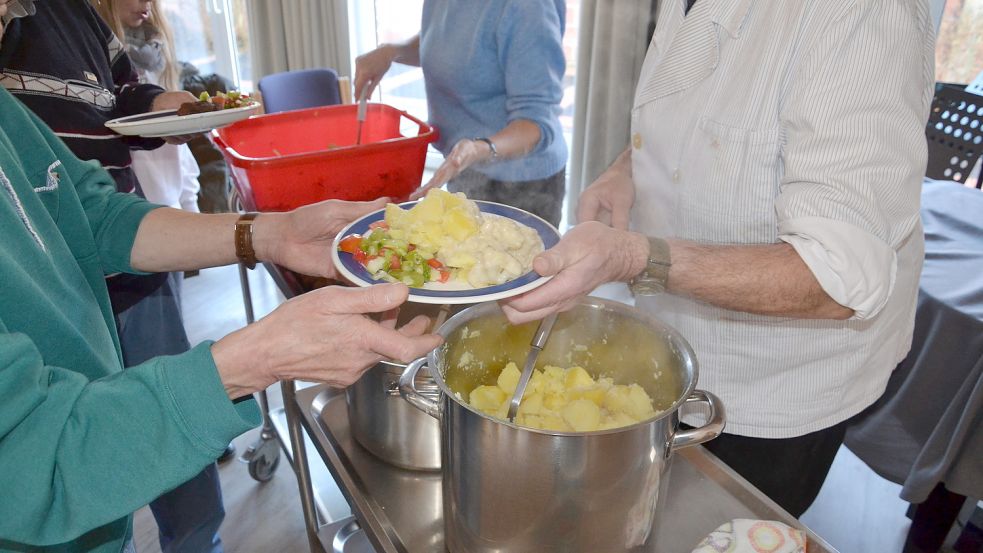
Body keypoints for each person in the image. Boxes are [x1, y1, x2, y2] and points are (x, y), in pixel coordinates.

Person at [501, 0, 935, 518]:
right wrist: (631, 165)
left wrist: (637, 257)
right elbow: (710, 110)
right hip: (677, 331)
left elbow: (836, 274)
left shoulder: (864, 16)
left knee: (721, 527)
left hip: (775, 382)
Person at [0, 77, 442, 553]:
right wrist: (260, 357)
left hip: (97, 505)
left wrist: (271, 234)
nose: (12, 13)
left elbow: (92, 215)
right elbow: (31, 458)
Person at [1, 1, 225, 550]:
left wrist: (263, 232)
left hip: (134, 262)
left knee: (171, 441)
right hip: (63, 290)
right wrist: (251, 362)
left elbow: (93, 200)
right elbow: (39, 459)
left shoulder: (80, 19)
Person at [354, 0, 568, 227]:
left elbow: (535, 121)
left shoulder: (529, 7)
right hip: (463, 164)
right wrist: (391, 51)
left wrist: (477, 148)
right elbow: (450, 46)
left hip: (523, 185)